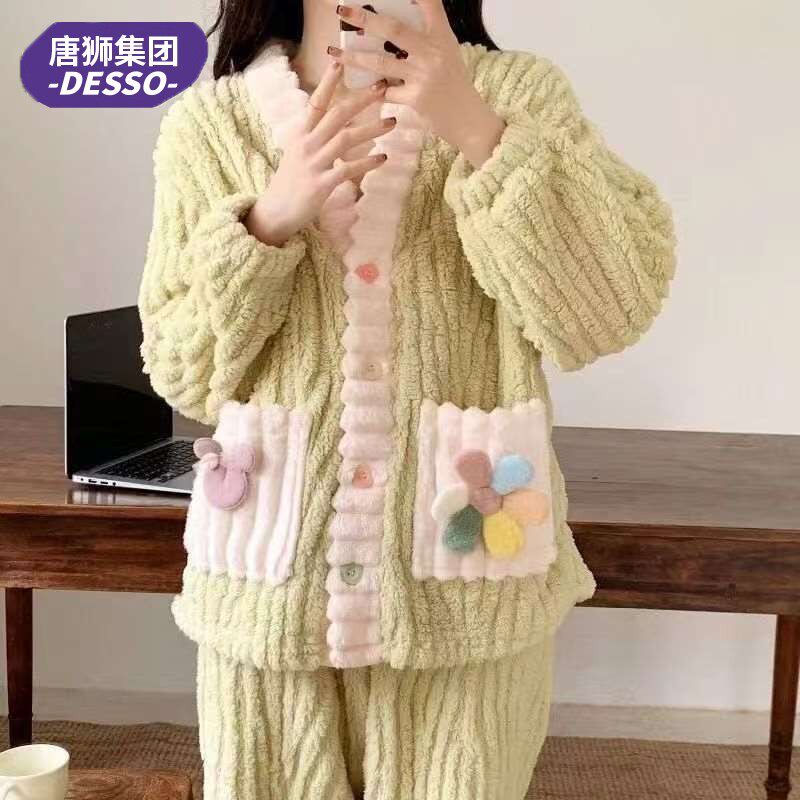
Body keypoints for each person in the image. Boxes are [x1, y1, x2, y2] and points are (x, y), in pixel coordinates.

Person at [138, 0, 677, 797]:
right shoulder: (212, 126)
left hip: (466, 593)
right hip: (270, 591)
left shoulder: (519, 98)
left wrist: (479, 130)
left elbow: (605, 312)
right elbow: (183, 369)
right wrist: (270, 217)